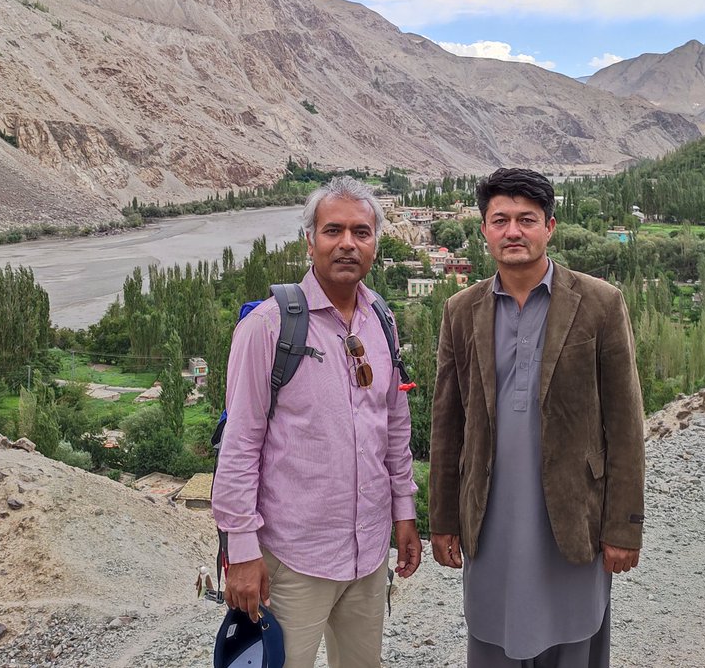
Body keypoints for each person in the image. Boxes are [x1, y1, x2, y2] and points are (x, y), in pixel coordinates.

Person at [429, 168, 645, 667]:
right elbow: (448, 423)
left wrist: (624, 527)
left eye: (526, 219)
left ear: (549, 226)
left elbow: (626, 426)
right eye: (499, 219)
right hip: (491, 515)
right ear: (484, 229)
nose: (513, 232)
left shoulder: (599, 304)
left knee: (573, 638)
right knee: (493, 636)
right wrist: (441, 521)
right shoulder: (460, 311)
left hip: (573, 518)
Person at [211, 175, 421, 668]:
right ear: (310, 240)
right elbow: (239, 444)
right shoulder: (267, 327)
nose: (347, 243)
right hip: (292, 558)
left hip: (368, 552)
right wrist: (241, 551)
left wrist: (404, 512)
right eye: (333, 230)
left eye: (361, 232)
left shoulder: (382, 320)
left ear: (375, 242)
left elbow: (394, 426)